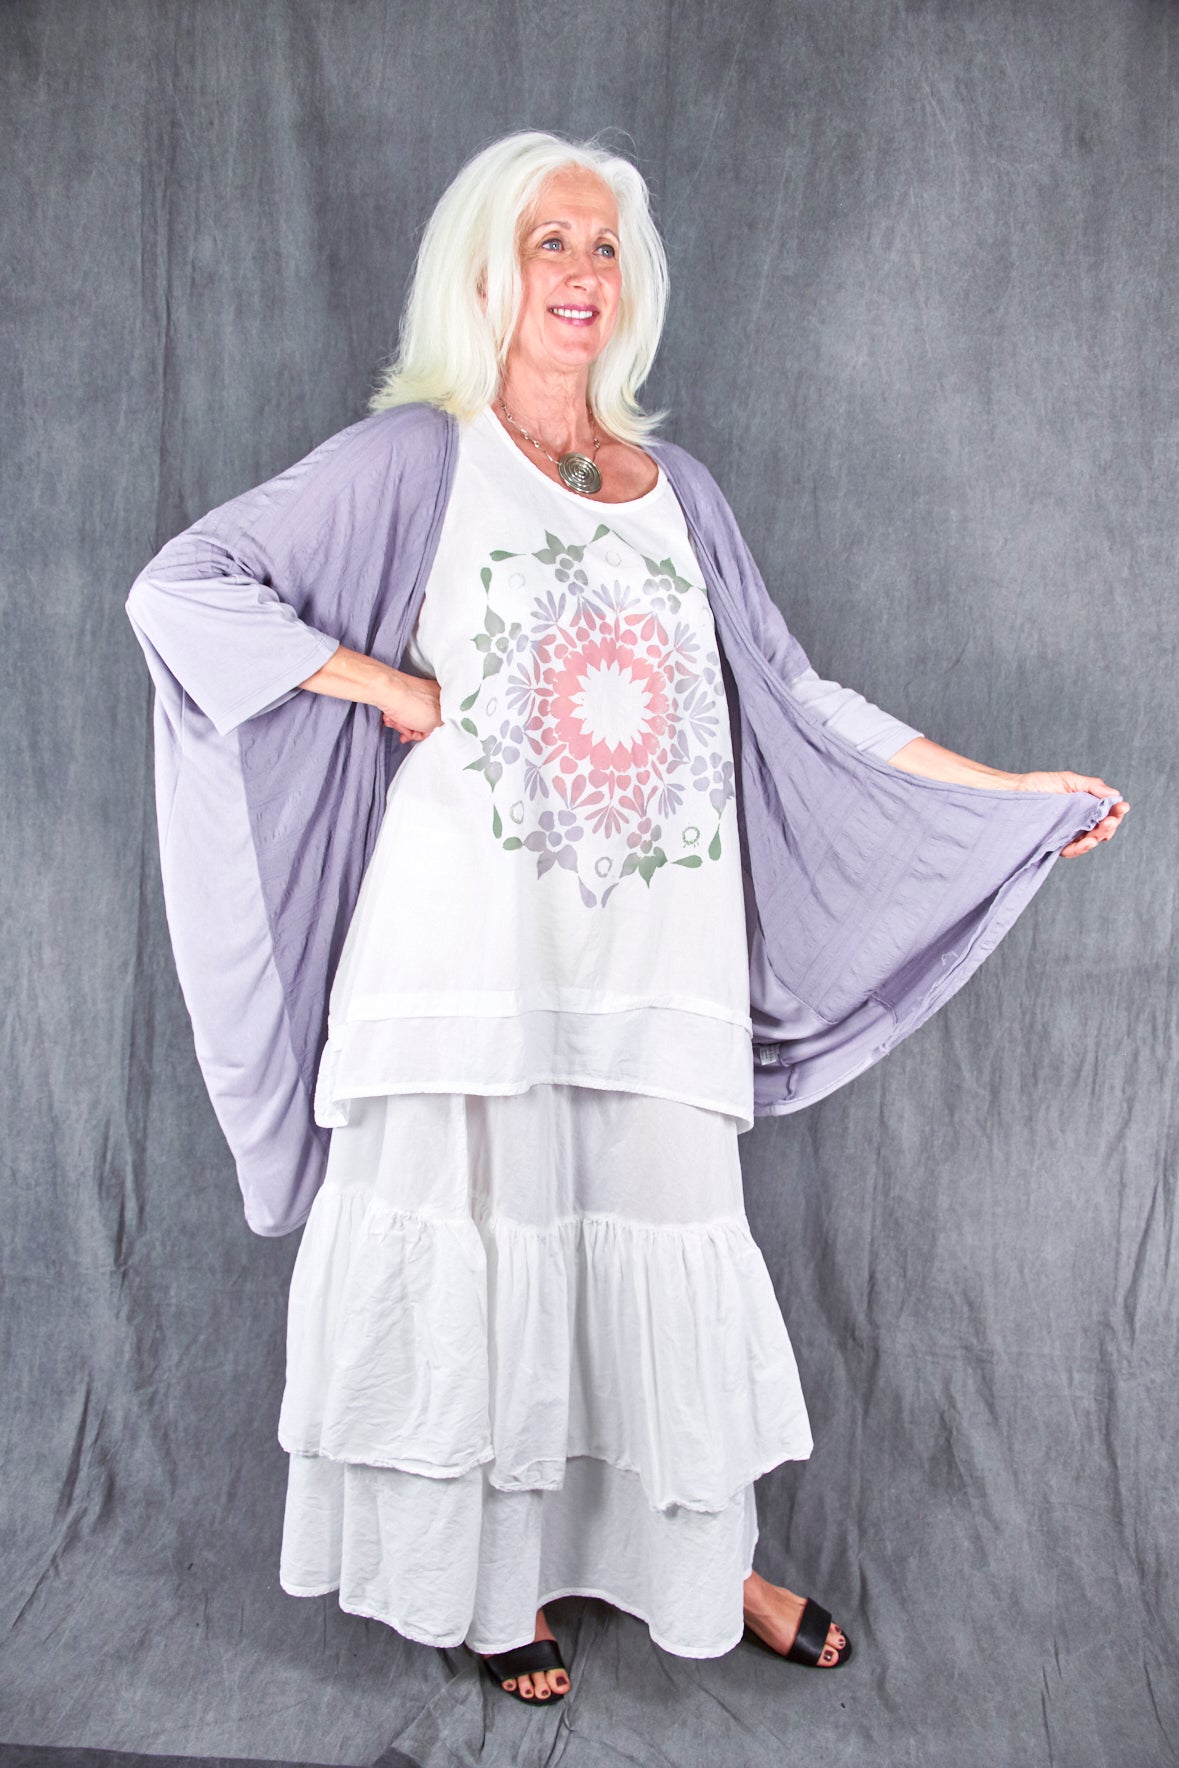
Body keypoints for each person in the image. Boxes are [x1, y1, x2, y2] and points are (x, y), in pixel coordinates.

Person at [125, 129, 1128, 1707]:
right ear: (486, 277)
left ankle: (707, 1569)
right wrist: (383, 684)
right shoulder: (418, 461)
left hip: (653, 965)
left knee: (658, 1261)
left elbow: (794, 697)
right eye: (552, 243)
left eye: (605, 247)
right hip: (469, 961)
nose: (584, 273)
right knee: (485, 1260)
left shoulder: (682, 495)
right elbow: (182, 589)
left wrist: (1006, 789)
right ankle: (490, 1587)